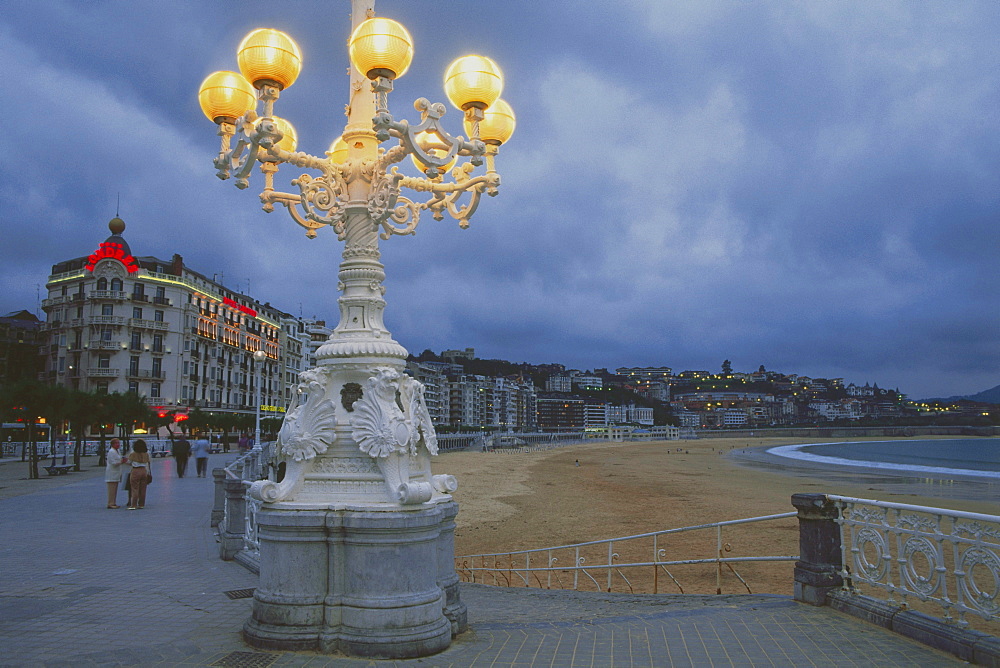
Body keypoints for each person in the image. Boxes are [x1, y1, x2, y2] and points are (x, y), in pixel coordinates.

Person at [126, 439, 151, 510]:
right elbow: (148, 462)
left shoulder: (133, 454)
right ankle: (141, 504)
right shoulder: (146, 454)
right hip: (144, 470)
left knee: (135, 488)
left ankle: (133, 504)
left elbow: (129, 462)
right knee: (143, 488)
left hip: (136, 470)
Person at [104, 438, 125, 509]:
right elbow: (113, 462)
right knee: (111, 489)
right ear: (112, 444)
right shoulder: (111, 451)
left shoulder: (118, 451)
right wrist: (121, 462)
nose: (118, 445)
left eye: (119, 443)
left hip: (117, 473)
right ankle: (110, 503)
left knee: (115, 488)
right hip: (112, 473)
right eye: (116, 443)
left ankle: (113, 502)